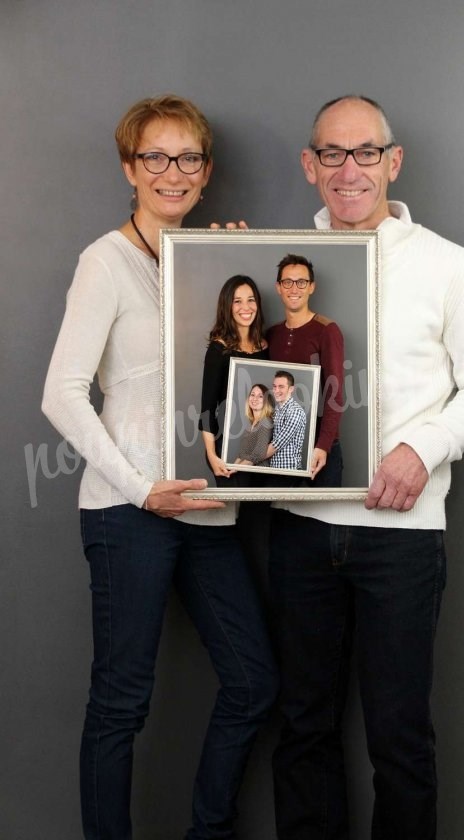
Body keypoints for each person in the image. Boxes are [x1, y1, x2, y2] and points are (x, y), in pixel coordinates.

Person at [269, 95, 464, 840]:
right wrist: (212, 265)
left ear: (392, 161)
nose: (351, 170)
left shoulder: (450, 264)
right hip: (302, 530)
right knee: (303, 727)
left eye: (366, 152)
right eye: (333, 154)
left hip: (402, 536)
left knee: (400, 738)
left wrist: (424, 448)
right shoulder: (277, 265)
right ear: (310, 166)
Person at [42, 94, 278, 840]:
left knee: (254, 683)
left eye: (187, 158)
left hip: (207, 509)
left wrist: (242, 282)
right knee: (121, 703)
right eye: (155, 157)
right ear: (129, 168)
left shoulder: (214, 266)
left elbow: (238, 391)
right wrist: (142, 488)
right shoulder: (104, 262)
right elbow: (61, 394)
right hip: (127, 512)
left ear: (205, 174)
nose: (171, 172)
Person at [267, 254, 344, 486]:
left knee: (319, 521)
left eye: (301, 282)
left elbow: (335, 394)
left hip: (318, 450)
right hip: (280, 449)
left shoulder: (327, 330)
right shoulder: (271, 334)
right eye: (287, 282)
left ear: (311, 287)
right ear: (278, 287)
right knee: (281, 521)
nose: (294, 288)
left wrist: (323, 446)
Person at [199, 274, 268, 483]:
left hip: (259, 445)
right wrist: (212, 455)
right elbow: (207, 409)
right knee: (234, 512)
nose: (245, 307)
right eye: (237, 301)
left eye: (251, 300)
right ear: (227, 306)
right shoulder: (218, 349)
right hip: (226, 448)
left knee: (260, 513)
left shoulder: (265, 347)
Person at [265, 371, 307, 471]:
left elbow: (275, 445)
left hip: (289, 471)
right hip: (275, 469)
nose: (276, 390)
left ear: (291, 389)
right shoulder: (277, 410)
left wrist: (247, 461)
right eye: (274, 386)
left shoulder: (295, 411)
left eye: (281, 387)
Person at [235, 384, 275, 468]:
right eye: (252, 395)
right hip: (244, 469)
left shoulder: (265, 421)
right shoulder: (250, 424)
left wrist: (235, 469)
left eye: (260, 396)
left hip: (257, 472)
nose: (255, 398)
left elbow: (258, 454)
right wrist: (230, 469)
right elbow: (241, 455)